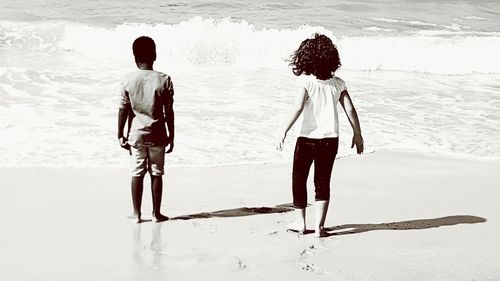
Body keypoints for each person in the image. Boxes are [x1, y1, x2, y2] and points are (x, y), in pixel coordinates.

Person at [276, 33, 363, 237]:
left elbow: (297, 107)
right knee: (322, 181)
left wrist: (283, 129)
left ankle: (300, 222)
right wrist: (358, 134)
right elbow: (351, 110)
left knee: (299, 178)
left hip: (307, 139)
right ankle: (320, 227)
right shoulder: (338, 83)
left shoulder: (306, 82)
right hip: (330, 140)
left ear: (307, 58)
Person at [117, 36, 175, 223]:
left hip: (136, 135)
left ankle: (136, 214)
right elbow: (169, 111)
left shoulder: (127, 79)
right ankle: (156, 214)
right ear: (155, 55)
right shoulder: (164, 79)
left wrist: (120, 134)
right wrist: (171, 135)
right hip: (158, 134)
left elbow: (124, 109)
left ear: (134, 57)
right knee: (156, 173)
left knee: (137, 173)